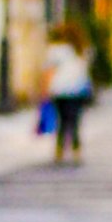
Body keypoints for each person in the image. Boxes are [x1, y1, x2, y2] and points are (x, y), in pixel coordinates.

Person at [42, 21, 91, 165]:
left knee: (62, 121)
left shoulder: (56, 50)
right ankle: (76, 150)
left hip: (60, 90)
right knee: (75, 121)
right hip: (77, 90)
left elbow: (49, 72)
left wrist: (44, 90)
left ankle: (60, 150)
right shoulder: (82, 50)